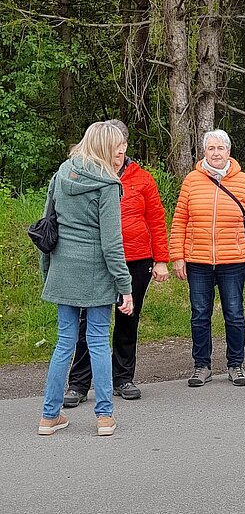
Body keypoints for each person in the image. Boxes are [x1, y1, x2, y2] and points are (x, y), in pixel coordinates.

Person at [63, 119, 169, 407]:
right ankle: (79, 383)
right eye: (115, 145)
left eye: (123, 144)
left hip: (136, 259)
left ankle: (123, 378)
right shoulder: (86, 175)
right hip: (96, 260)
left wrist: (161, 260)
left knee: (127, 319)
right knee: (89, 321)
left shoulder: (143, 178)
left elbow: (157, 220)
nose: (120, 151)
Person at [38, 122, 133, 437]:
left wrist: (46, 271)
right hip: (95, 275)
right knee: (97, 342)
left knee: (64, 342)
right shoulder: (107, 183)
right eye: (118, 145)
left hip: (63, 271)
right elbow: (111, 244)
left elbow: (46, 228)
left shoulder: (62, 173)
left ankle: (49, 416)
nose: (122, 151)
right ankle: (104, 416)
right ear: (106, 147)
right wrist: (125, 287)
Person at [170, 129, 245, 388]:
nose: (216, 153)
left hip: (233, 261)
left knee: (235, 314)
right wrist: (177, 256)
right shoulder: (191, 181)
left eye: (220, 148)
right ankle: (201, 366)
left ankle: (236, 365)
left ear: (229, 151)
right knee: (200, 314)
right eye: (211, 149)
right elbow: (180, 220)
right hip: (198, 261)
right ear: (204, 152)